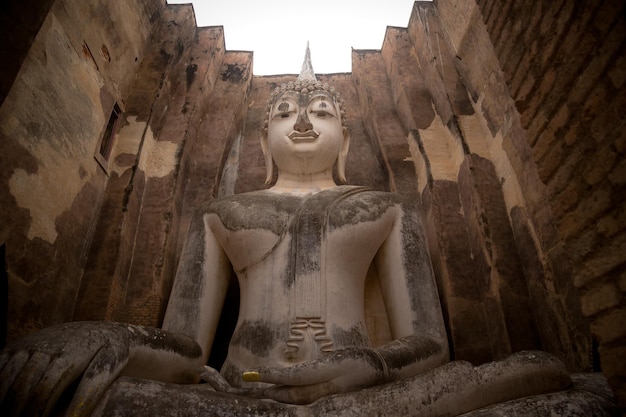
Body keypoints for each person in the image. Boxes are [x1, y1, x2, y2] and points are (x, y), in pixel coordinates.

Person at [0, 51, 572, 417]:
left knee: (555, 388)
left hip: (367, 398)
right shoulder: (221, 213)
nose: (301, 122)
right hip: (244, 392)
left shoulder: (386, 207)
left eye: (321, 111)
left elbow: (429, 345)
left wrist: (371, 367)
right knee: (94, 397)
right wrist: (107, 338)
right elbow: (186, 351)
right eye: (283, 115)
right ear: (263, 138)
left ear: (344, 138)